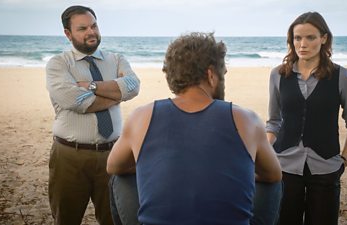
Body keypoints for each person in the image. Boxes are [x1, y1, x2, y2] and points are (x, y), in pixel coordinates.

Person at [106, 32, 282, 225]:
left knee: (119, 179)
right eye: (222, 73)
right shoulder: (246, 119)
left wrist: (150, 168)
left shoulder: (142, 116)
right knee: (274, 184)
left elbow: (113, 166)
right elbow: (273, 174)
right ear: (211, 75)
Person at [45, 5, 140, 225]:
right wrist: (116, 95)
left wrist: (91, 86)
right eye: (82, 28)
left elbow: (133, 86)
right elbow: (75, 101)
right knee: (66, 219)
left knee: (114, 219)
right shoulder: (58, 64)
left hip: (113, 154)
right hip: (69, 156)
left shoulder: (115, 59)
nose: (91, 32)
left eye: (94, 25)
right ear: (68, 34)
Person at [266, 12, 347, 225]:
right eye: (297, 38)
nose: (303, 44)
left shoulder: (342, 76)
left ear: (324, 38)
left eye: (310, 37)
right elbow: (273, 122)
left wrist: (344, 160)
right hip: (285, 166)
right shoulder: (278, 75)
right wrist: (265, 153)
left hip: (326, 168)